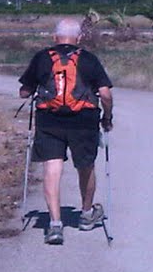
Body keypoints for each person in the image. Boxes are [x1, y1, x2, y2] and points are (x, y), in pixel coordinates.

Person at [19, 17, 114, 245]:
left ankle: (54, 225)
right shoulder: (89, 60)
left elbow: (24, 92)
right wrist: (107, 118)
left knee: (52, 169)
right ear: (79, 38)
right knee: (85, 166)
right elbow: (106, 95)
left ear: (55, 37)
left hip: (49, 120)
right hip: (84, 120)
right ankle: (86, 214)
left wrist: (33, 91)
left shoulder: (42, 58)